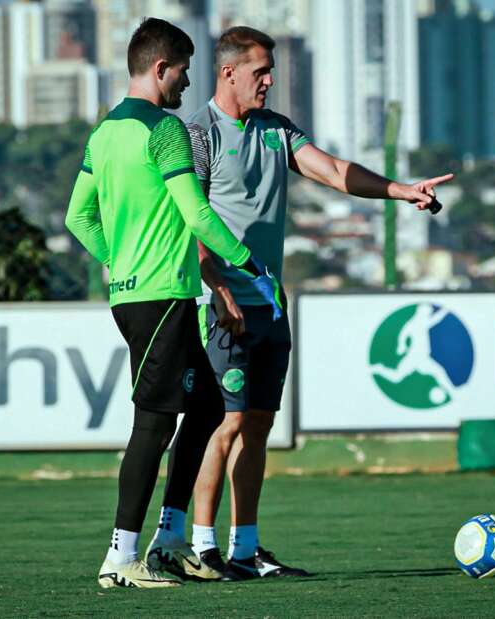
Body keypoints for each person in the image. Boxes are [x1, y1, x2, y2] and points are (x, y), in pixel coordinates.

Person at [166, 26, 454, 580]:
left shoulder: (276, 130)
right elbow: (191, 216)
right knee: (221, 425)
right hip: (224, 306)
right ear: (228, 73)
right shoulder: (196, 133)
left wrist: (400, 189)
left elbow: (332, 171)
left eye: (270, 70)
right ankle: (203, 550)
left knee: (256, 427)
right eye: (260, 72)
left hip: (271, 304)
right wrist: (218, 287)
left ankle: (245, 549)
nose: (270, 81)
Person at [65, 18, 281, 589]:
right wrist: (251, 267)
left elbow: (76, 217)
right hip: (162, 295)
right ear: (160, 68)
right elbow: (200, 214)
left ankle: (167, 539)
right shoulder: (164, 129)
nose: (188, 82)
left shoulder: (104, 132)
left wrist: (117, 260)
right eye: (183, 70)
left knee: (209, 406)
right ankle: (120, 559)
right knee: (154, 427)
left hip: (138, 295)